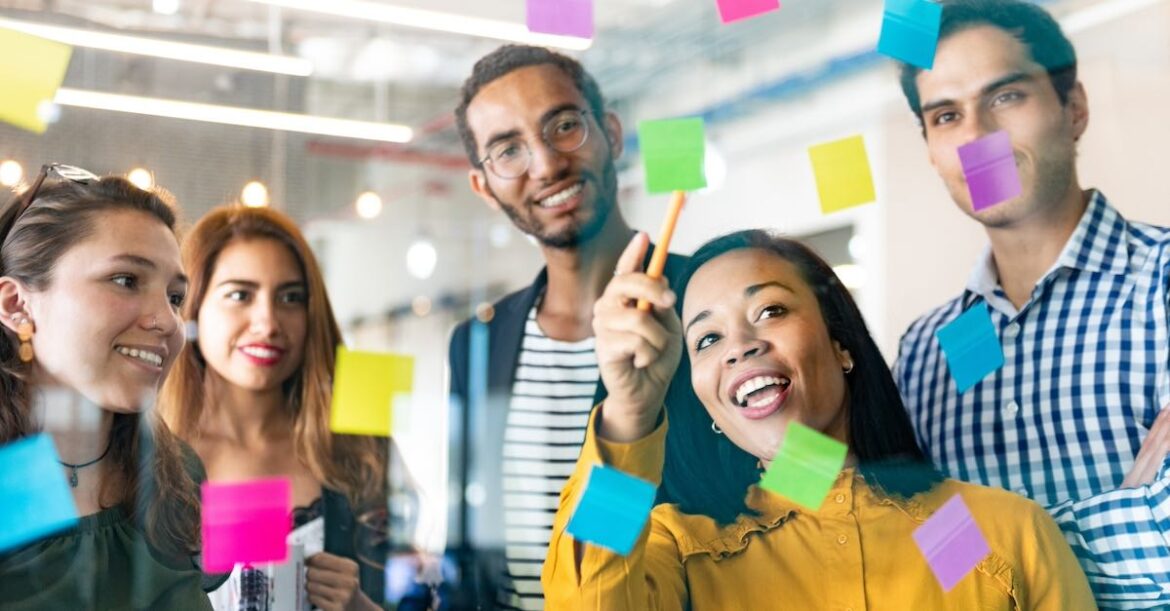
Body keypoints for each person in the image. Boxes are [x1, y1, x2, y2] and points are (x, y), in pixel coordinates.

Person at [542, 229, 1096, 609]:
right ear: (706, 402)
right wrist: (631, 414)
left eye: (771, 311)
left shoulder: (980, 533)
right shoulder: (683, 553)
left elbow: (972, 577)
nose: (739, 346)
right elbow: (588, 599)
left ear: (841, 345)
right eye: (707, 339)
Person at [891, 0, 1170, 606]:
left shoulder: (1163, 281)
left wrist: (995, 561)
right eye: (945, 115)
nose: (976, 139)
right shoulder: (925, 352)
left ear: (1074, 109)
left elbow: (959, 567)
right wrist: (1135, 512)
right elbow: (911, 538)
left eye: (1005, 97)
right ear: (931, 150)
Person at [447, 45, 693, 609]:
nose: (546, 163)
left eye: (563, 125)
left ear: (610, 132)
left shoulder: (704, 303)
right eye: (508, 150)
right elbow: (470, 540)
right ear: (484, 187)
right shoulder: (477, 341)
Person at [159, 205, 404, 610]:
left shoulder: (362, 450)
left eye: (290, 297)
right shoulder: (149, 454)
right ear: (193, 307)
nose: (268, 321)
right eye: (240, 295)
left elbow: (429, 589)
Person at [0, 166, 221, 609]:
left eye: (175, 297)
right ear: (16, 305)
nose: (167, 321)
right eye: (126, 280)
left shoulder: (177, 475)